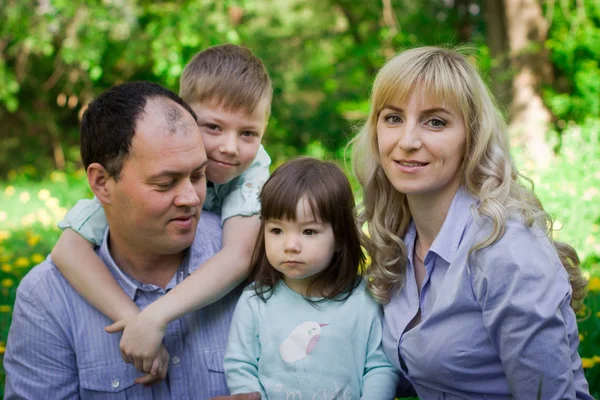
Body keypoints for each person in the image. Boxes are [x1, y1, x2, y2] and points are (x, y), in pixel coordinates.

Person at [350, 46, 593, 399]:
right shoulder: (399, 242)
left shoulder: (506, 250)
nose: (408, 141)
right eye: (393, 118)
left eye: (436, 122)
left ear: (472, 137)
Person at [4, 81, 256, 399]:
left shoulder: (264, 260)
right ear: (101, 182)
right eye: (166, 183)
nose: (192, 198)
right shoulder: (48, 300)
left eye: (197, 175)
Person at [49, 44, 272, 379]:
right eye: (213, 127)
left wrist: (156, 316)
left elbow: (240, 256)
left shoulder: (252, 170)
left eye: (248, 133)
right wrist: (132, 318)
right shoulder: (138, 177)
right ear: (182, 117)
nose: (230, 147)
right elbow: (67, 250)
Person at [224, 157, 400, 399]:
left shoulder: (364, 300)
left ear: (339, 237)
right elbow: (240, 365)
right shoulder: (255, 301)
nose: (290, 245)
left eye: (309, 231)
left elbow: (379, 367)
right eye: (276, 230)